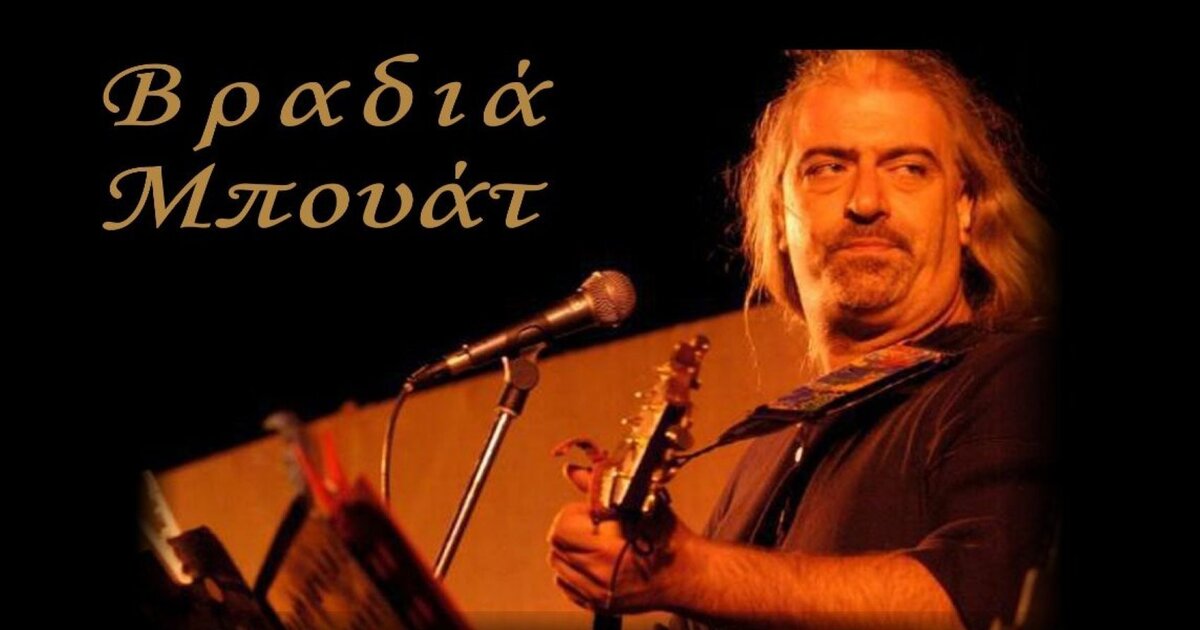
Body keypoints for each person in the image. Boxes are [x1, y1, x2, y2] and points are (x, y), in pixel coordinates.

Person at [547, 50, 1058, 630]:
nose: (866, 202)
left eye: (909, 168)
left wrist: (690, 572)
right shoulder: (768, 452)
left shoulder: (1019, 376)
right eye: (827, 168)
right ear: (779, 217)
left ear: (965, 208)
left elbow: (986, 601)